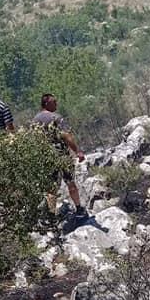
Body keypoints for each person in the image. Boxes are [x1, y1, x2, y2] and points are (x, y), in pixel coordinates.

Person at [31, 93, 87, 221]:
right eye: (54, 102)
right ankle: (79, 208)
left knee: (51, 187)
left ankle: (51, 214)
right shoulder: (56, 118)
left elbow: (34, 139)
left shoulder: (35, 120)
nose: (56, 104)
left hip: (46, 158)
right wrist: (77, 151)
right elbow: (67, 136)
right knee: (70, 182)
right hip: (62, 156)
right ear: (46, 104)